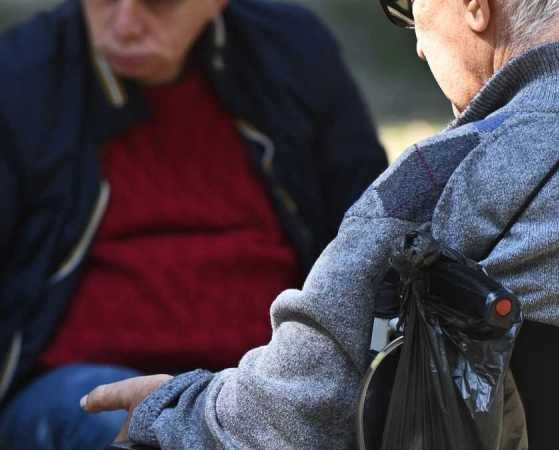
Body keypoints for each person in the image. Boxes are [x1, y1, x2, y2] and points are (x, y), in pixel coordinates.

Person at [83, 0, 559, 448]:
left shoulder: (445, 174)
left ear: (475, 7)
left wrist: (178, 404)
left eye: (410, 9)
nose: (420, 45)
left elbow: (296, 415)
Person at [0, 0, 387, 449]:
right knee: (123, 424)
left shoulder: (291, 53)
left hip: (261, 380)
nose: (125, 24)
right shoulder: (20, 77)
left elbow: (369, 240)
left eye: (159, 4)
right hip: (79, 382)